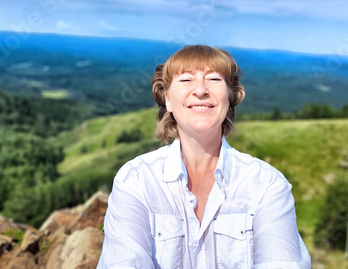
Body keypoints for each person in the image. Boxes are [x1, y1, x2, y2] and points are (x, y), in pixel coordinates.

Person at [97, 45, 311, 269]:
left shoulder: (267, 186)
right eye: (186, 80)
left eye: (214, 79)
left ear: (230, 97)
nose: (200, 90)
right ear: (167, 99)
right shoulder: (136, 181)